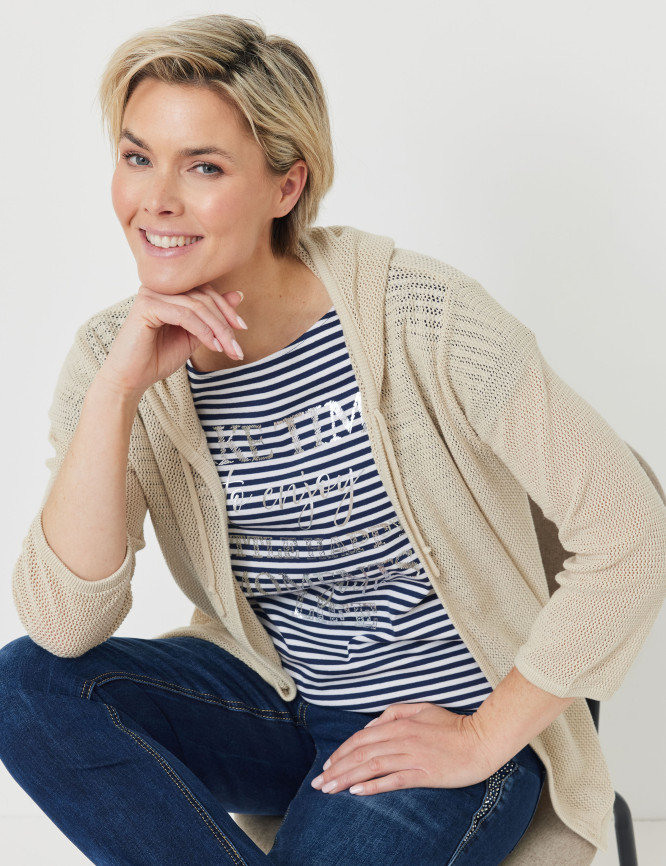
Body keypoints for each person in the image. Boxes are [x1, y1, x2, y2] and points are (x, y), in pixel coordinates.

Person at [1, 13, 665, 866]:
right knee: (27, 686)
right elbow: (63, 627)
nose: (154, 200)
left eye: (203, 166)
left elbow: (633, 534)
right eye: (137, 157)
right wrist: (117, 392)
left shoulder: (420, 318)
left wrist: (484, 734)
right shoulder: (113, 354)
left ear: (287, 186)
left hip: (442, 718)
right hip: (279, 707)